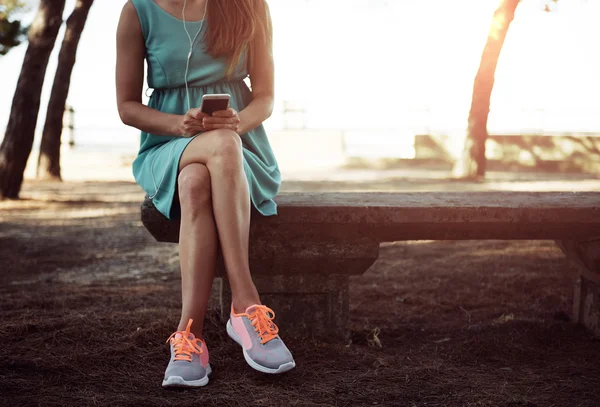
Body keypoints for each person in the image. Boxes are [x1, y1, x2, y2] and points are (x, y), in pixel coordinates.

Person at [115, 0, 295, 388]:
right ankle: (245, 305)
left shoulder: (249, 6)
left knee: (198, 179)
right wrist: (179, 124)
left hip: (243, 148)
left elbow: (264, 96)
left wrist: (236, 122)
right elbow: (127, 107)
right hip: (167, 145)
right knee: (220, 147)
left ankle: (190, 333)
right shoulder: (137, 11)